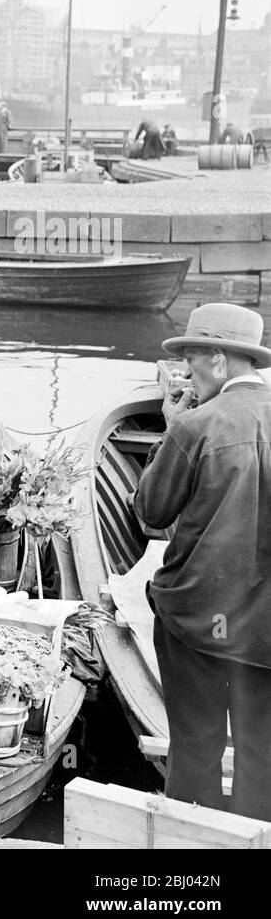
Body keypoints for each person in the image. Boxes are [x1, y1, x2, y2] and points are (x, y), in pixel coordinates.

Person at [134, 303, 271, 822]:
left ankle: (194, 859)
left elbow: (152, 511)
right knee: (264, 756)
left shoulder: (196, 425)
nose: (186, 375)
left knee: (196, 747)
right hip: (267, 631)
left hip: (199, 620)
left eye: (190, 362)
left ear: (217, 360)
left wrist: (173, 428)